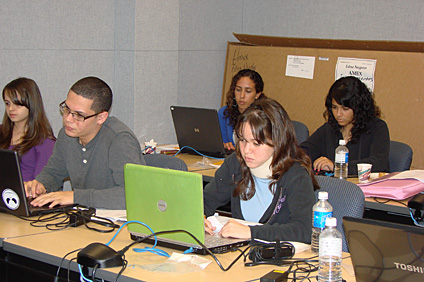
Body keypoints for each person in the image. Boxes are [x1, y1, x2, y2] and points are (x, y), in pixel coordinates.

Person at [204, 98, 319, 243]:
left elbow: (303, 230)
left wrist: (251, 232)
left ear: (277, 141)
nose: (246, 151)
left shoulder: (296, 175)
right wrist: (198, 218)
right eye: (243, 140)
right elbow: (205, 201)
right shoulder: (235, 163)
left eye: (256, 143)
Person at [25, 77, 145, 210]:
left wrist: (75, 197)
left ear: (101, 117)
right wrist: (40, 184)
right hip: (84, 216)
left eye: (79, 115)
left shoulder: (120, 140)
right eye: (67, 109)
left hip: (116, 222)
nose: (68, 119)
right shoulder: (67, 135)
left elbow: (132, 195)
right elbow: (54, 172)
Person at [301, 76, 390, 175]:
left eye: (345, 109)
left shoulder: (377, 128)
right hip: (337, 186)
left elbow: (378, 163)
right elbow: (305, 150)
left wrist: (337, 167)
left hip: (366, 187)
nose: (338, 114)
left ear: (358, 108)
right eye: (334, 107)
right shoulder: (329, 128)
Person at [0, 77, 55, 182]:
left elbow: (42, 185)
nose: (11, 108)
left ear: (31, 104)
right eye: (7, 103)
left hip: (25, 197)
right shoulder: (1, 131)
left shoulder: (45, 142)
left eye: (17, 103)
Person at [218, 69, 266, 151]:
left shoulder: (264, 116)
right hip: (231, 159)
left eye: (248, 91)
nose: (242, 96)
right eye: (238, 90)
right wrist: (225, 146)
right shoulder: (224, 113)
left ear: (257, 94)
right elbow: (223, 143)